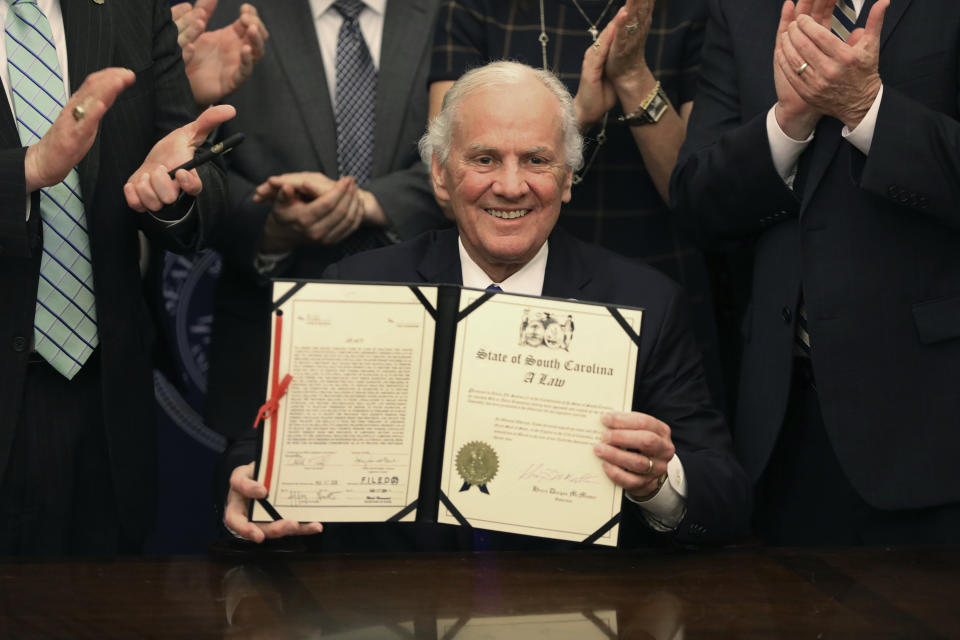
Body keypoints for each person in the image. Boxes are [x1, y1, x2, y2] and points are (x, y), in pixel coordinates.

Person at [222, 61, 751, 551]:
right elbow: (259, 451)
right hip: (387, 603)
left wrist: (659, 481)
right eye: (484, 159)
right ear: (440, 175)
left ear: (567, 178)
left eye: (537, 160)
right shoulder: (357, 292)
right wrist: (253, 485)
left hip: (574, 605)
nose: (511, 185)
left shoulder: (645, 303)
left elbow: (724, 500)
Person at [672, 0, 960, 544]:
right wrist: (787, 124)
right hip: (782, 422)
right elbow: (695, 203)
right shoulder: (740, 13)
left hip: (931, 423)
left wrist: (868, 109)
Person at [0, 0, 233, 555]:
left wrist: (174, 190)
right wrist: (27, 170)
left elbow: (197, 166)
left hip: (107, 401)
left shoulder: (133, 8)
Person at [428, 0, 735, 412]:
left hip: (656, 281)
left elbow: (698, 196)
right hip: (502, 271)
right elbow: (453, 179)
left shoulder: (693, 9)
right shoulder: (476, 7)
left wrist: (632, 78)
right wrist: (577, 117)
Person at [204, 0, 449, 442]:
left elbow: (474, 157)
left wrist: (370, 204)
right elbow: (187, 167)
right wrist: (271, 225)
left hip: (421, 337)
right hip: (264, 343)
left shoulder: (450, 13)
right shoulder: (224, 15)